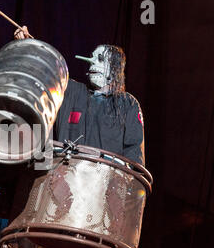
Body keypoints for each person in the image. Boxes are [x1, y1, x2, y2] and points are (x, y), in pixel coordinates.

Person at [14, 27, 145, 166]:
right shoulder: (71, 92)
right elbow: (46, 71)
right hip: (64, 177)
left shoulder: (127, 103)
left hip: (105, 182)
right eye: (92, 58)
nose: (92, 62)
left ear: (115, 68)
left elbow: (134, 154)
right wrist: (27, 46)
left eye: (100, 59)